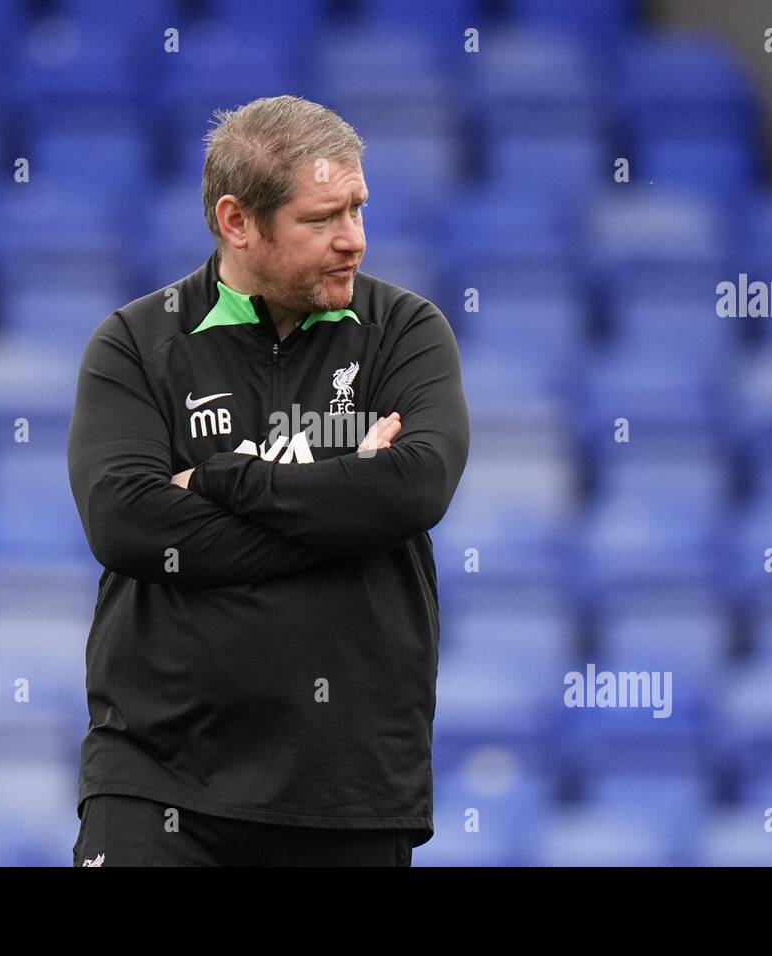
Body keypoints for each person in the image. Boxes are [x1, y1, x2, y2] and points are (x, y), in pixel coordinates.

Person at [66, 94, 470, 866]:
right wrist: (347, 509)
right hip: (157, 779)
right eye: (322, 219)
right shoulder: (135, 344)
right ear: (237, 221)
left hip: (347, 789)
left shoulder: (407, 332)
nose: (353, 240)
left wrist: (221, 479)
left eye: (358, 209)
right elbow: (125, 523)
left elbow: (414, 490)